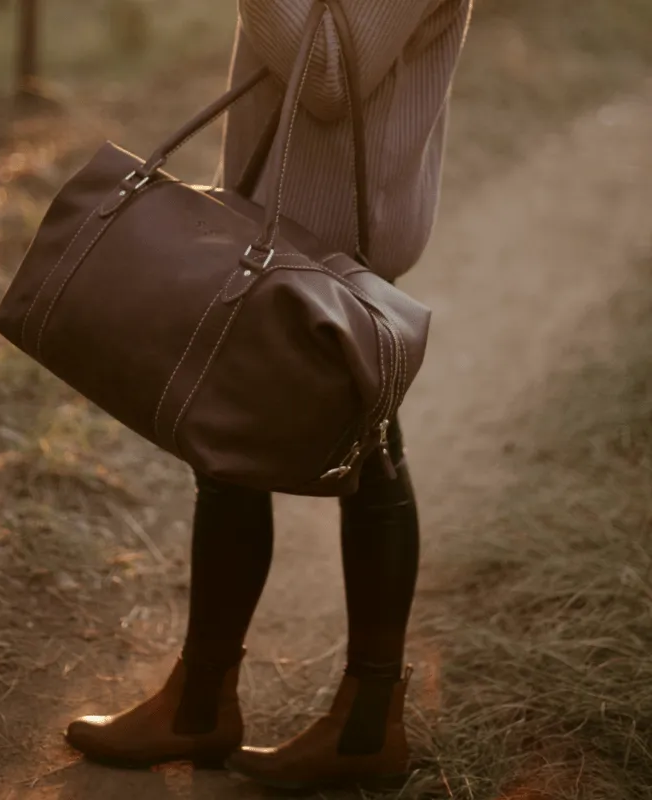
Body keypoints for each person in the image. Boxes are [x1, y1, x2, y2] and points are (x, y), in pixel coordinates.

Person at [65, 0, 472, 792]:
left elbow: (328, 75)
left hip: (338, 231)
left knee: (368, 450)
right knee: (233, 447)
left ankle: (353, 720)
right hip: (284, 214)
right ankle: (211, 701)